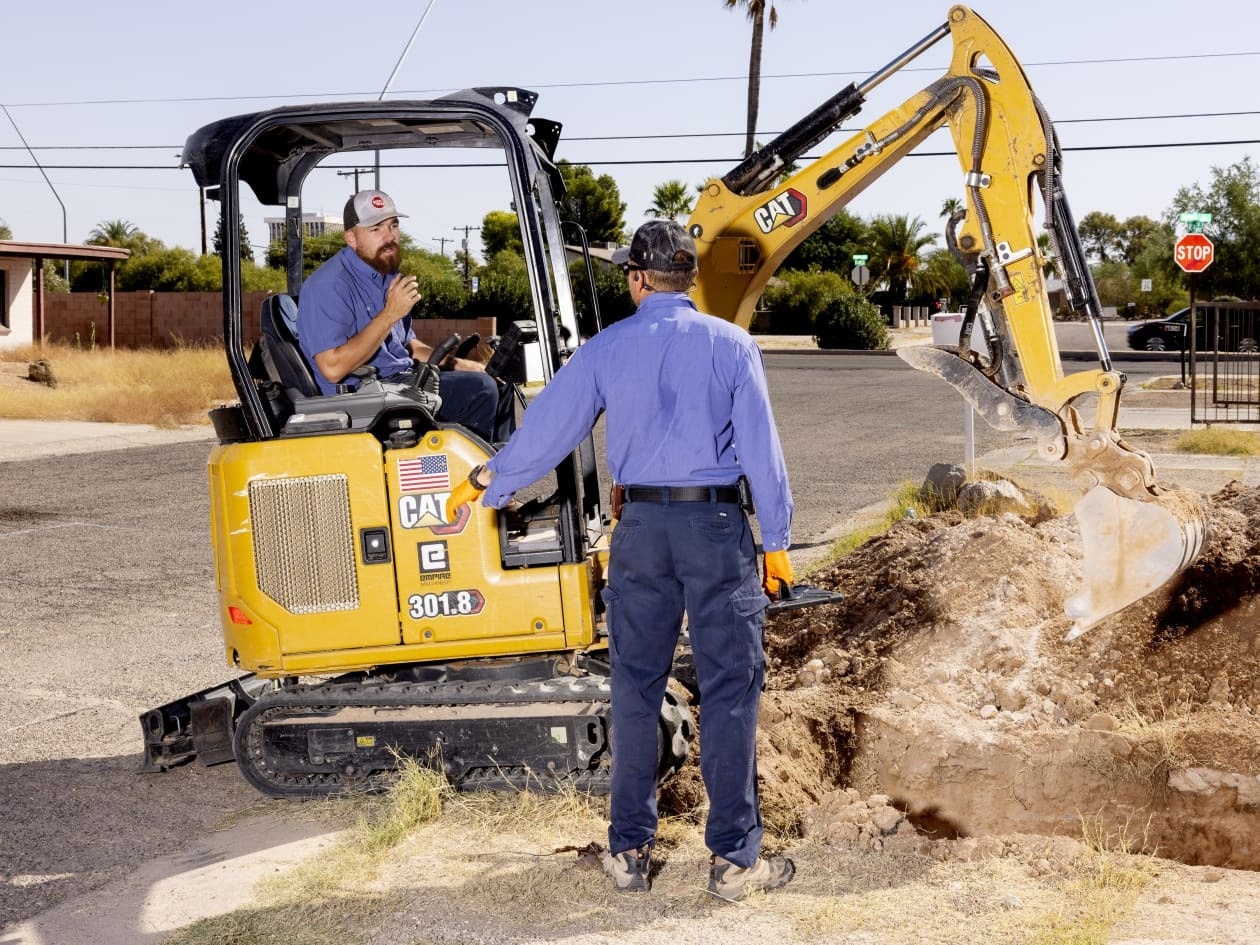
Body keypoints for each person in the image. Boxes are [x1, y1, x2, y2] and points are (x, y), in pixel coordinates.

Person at [446, 219, 796, 901]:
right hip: (715, 524)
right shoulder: (733, 345)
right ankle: (732, 862)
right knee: (730, 688)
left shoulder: (607, 349)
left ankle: (628, 851)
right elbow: (762, 446)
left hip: (639, 530)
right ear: (687, 279)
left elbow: (551, 426)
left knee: (635, 687)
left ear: (638, 279)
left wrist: (490, 482)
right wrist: (776, 542)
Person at [296, 189, 515, 443]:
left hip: (401, 384)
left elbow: (410, 348)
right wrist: (390, 314)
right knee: (480, 391)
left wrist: (470, 365)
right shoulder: (327, 286)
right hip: (362, 399)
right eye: (376, 229)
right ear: (351, 238)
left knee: (497, 383)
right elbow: (332, 368)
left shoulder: (387, 276)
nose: (389, 237)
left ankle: (503, 474)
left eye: (393, 226)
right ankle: (476, 477)